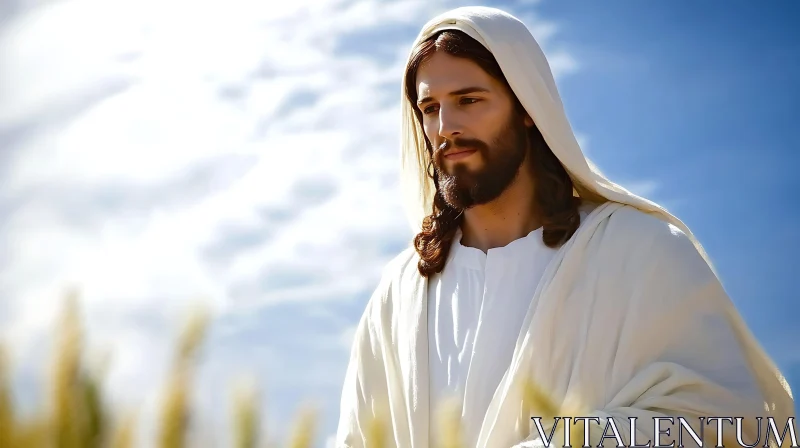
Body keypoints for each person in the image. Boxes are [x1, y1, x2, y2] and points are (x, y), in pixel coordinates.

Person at [335, 6, 794, 448]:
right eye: (430, 108)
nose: (445, 126)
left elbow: (729, 422)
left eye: (469, 100)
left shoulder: (639, 253)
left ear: (527, 106)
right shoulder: (398, 297)